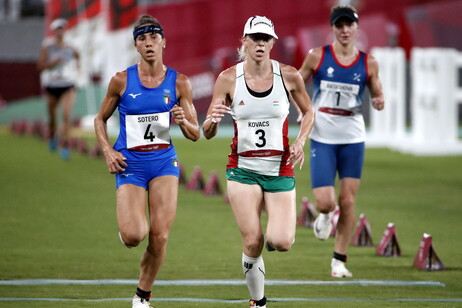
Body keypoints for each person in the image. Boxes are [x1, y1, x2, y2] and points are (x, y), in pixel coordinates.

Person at [202, 16, 314, 308]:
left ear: (273, 43)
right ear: (245, 42)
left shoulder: (288, 76)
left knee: (281, 242)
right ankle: (258, 302)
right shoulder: (228, 78)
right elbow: (207, 130)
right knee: (252, 240)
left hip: (279, 169)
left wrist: (300, 140)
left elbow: (309, 112)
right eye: (255, 38)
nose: (261, 43)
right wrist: (211, 123)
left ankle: (272, 238)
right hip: (243, 171)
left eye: (266, 38)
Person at [94, 15, 200, 308]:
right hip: (131, 165)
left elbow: (195, 134)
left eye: (154, 37)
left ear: (164, 42)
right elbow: (100, 120)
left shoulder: (179, 82)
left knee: (160, 236)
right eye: (142, 38)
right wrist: (107, 150)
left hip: (164, 163)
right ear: (136, 46)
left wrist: (182, 121)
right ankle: (128, 226)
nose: (149, 42)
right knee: (134, 236)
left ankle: (142, 295)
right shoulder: (121, 80)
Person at [298, 5, 385, 278]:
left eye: (349, 25)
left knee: (347, 201)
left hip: (352, 137)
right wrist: (303, 109)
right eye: (340, 25)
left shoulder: (368, 62)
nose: (345, 30)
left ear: (357, 28)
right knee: (326, 201)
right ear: (333, 28)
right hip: (323, 135)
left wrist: (379, 100)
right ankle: (324, 215)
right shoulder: (317, 56)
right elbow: (295, 84)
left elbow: (377, 92)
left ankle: (338, 261)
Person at [37, 18, 80, 159]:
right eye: (58, 29)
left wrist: (77, 68)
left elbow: (78, 56)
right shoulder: (47, 46)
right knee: (53, 117)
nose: (60, 31)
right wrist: (51, 63)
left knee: (67, 115)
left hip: (68, 84)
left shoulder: (70, 45)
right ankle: (52, 136)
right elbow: (39, 67)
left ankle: (66, 145)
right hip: (52, 85)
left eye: (62, 28)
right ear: (54, 31)